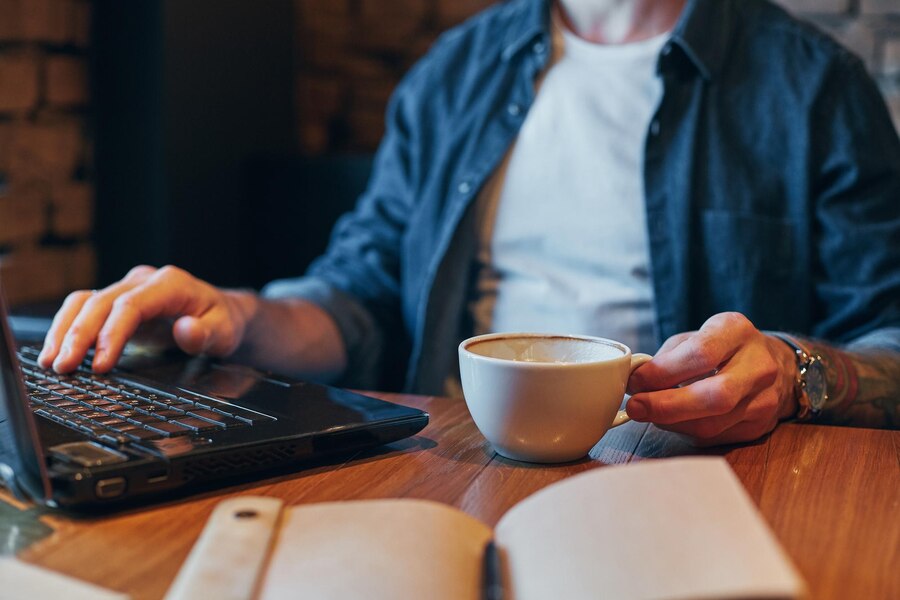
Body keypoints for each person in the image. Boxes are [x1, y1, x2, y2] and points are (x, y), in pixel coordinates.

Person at [38, 0, 899, 445]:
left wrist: (795, 372)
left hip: (697, 478)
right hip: (457, 464)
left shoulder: (815, 88)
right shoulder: (454, 73)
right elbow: (360, 296)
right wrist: (237, 314)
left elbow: (890, 343)